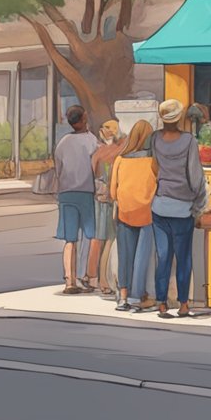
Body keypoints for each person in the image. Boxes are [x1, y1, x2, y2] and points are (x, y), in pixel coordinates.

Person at [150, 100, 209, 319]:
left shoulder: (155, 138)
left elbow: (155, 166)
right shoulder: (189, 140)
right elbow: (195, 175)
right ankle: (184, 304)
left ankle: (162, 303)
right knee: (183, 258)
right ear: (180, 116)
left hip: (160, 205)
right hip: (183, 207)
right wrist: (200, 203)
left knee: (163, 256)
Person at [109, 120, 156, 312]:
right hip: (148, 213)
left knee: (125, 255)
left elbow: (113, 192)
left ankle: (123, 297)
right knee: (143, 256)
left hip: (125, 212)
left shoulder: (120, 159)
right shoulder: (154, 161)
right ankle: (139, 296)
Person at [54, 105, 99, 295]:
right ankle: (87, 277)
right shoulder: (91, 141)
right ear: (84, 118)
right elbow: (96, 167)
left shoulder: (63, 142)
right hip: (86, 192)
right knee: (91, 235)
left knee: (69, 239)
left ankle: (69, 281)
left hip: (66, 193)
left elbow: (58, 168)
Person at [90, 120, 125, 297]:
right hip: (109, 200)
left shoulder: (99, 153)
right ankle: (104, 280)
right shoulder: (116, 151)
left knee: (102, 239)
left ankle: (98, 278)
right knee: (109, 240)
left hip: (100, 199)